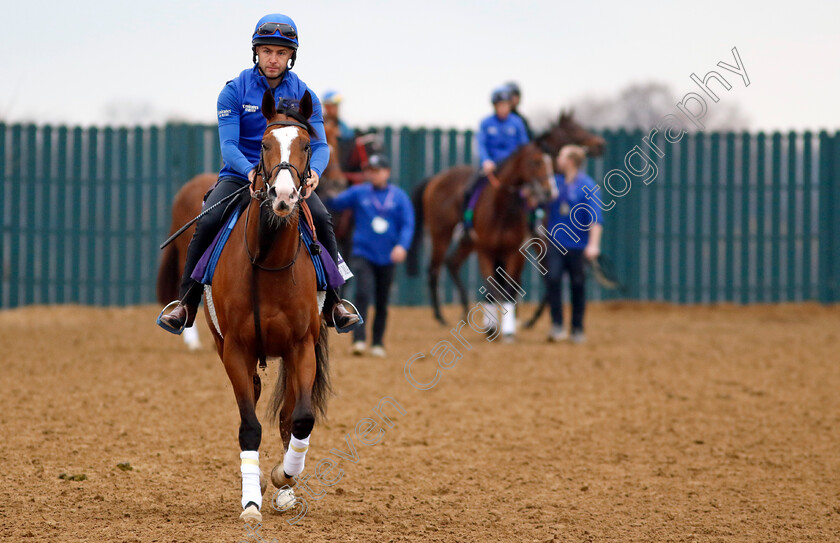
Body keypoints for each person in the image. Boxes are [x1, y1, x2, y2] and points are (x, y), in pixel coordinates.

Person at [157, 13, 360, 334]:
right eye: (267, 51)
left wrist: (315, 173)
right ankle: (186, 303)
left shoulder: (306, 96)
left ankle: (335, 302)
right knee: (208, 220)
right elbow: (228, 146)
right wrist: (251, 172)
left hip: (291, 178)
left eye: (281, 52)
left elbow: (321, 147)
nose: (273, 59)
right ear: (256, 52)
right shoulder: (234, 91)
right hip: (242, 175)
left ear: (292, 56)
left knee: (321, 219)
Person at [325, 154, 414, 357]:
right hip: (363, 252)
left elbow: (408, 224)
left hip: (388, 256)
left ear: (387, 172)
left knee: (382, 300)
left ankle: (377, 342)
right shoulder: (359, 193)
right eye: (370, 171)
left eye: (377, 171)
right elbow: (335, 203)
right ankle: (359, 340)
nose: (373, 175)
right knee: (363, 293)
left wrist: (402, 246)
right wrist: (325, 188)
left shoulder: (399, 197)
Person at [544, 145, 603, 343]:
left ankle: (577, 328)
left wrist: (593, 245)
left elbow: (596, 218)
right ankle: (557, 325)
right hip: (556, 244)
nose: (557, 159)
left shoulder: (588, 185)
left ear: (570, 161)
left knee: (578, 285)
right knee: (552, 280)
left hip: (578, 246)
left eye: (560, 156)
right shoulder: (555, 184)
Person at [461, 86, 530, 236]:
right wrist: (486, 161)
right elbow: (481, 144)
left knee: (530, 190)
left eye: (506, 105)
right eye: (500, 105)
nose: (503, 108)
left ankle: (531, 224)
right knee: (470, 189)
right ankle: (466, 223)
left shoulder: (517, 123)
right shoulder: (486, 123)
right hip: (492, 166)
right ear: (495, 106)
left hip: (512, 168)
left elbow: (524, 146)